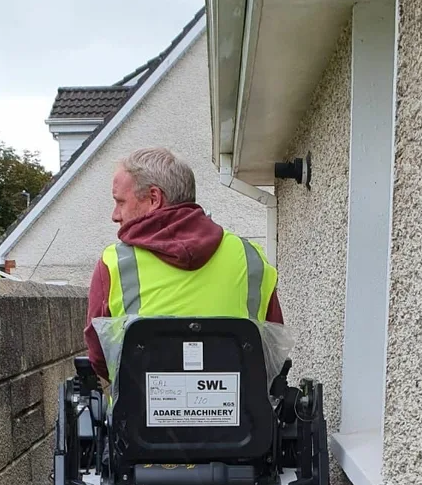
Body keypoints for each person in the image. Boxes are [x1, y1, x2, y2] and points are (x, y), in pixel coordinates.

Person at [84, 147, 283, 379]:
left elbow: (99, 356)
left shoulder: (114, 263)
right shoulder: (251, 257)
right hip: (241, 415)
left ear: (154, 198)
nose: (115, 215)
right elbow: (272, 351)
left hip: (139, 414)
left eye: (120, 202)